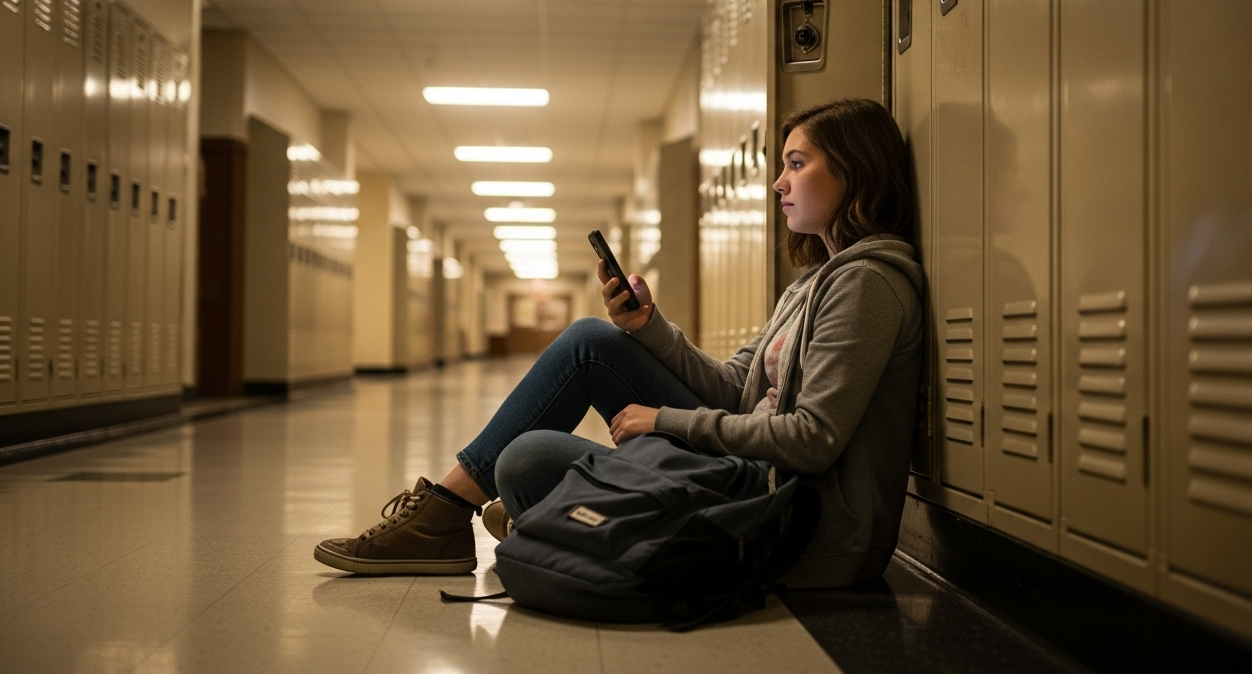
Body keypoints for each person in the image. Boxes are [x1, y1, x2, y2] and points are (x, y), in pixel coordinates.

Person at [314, 97, 924, 588]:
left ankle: (486, 517)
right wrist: (647, 330)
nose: (776, 183)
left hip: (796, 528)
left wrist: (667, 422)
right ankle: (454, 513)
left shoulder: (867, 284)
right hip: (749, 482)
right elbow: (738, 391)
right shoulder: (813, 285)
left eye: (796, 164)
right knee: (590, 344)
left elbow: (812, 440)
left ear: (853, 171)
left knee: (526, 464)